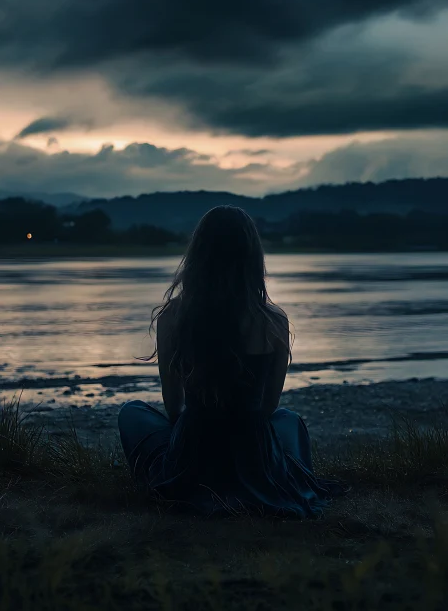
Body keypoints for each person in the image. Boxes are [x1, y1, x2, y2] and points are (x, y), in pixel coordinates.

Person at [118, 205, 347, 517]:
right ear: (253, 258)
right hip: (252, 449)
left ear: (197, 256)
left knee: (132, 412)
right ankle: (260, 482)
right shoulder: (273, 321)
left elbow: (174, 407)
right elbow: (268, 407)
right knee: (287, 420)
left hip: (195, 447)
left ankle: (197, 481)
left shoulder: (174, 317)